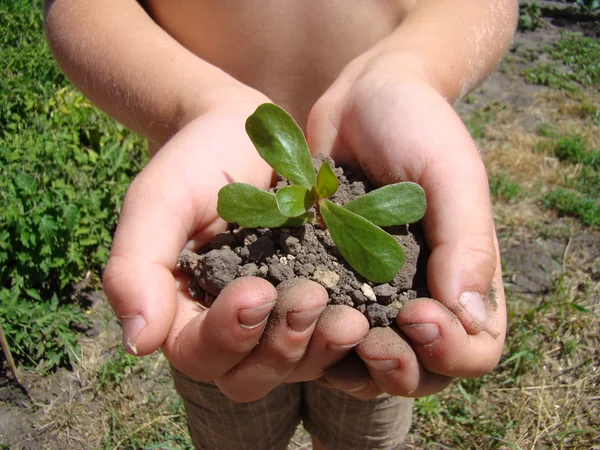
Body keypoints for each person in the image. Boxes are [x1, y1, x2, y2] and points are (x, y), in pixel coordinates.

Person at [44, 1, 518, 448]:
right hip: (214, 248)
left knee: (363, 431)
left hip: (379, 313)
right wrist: (193, 103)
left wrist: (410, 70)